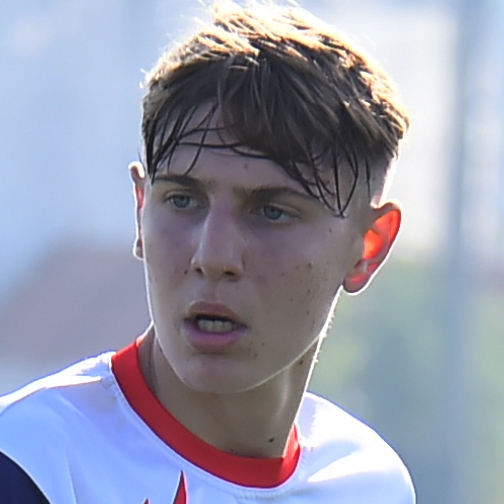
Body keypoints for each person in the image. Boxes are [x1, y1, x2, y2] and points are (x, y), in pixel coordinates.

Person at [0, 1, 415, 502]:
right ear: (141, 210)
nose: (212, 255)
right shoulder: (31, 463)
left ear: (368, 247)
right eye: (183, 200)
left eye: (272, 211)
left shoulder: (371, 485)